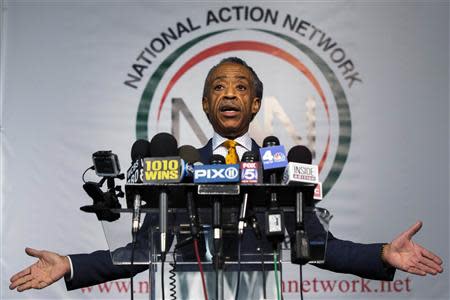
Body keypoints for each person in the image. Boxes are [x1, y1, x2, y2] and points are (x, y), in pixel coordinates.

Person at [9, 57, 443, 293]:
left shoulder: (280, 172)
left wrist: (383, 254)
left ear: (255, 104)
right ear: (205, 104)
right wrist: (69, 264)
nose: (229, 93)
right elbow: (142, 251)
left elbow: (316, 247)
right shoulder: (177, 170)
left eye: (240, 87)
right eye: (218, 87)